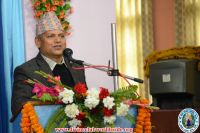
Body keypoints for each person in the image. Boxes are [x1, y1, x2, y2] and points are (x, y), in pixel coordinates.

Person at [11, 11, 87, 117]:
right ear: (38, 42)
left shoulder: (77, 67)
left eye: (61, 36)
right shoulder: (26, 71)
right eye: (51, 36)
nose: (58, 40)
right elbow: (18, 106)